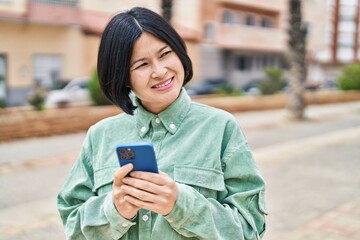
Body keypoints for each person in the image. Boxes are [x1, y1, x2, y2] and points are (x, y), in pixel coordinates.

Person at [57, 7, 267, 240]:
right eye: (142, 65)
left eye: (165, 54)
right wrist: (114, 211)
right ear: (123, 76)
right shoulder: (100, 136)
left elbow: (250, 230)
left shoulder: (221, 128)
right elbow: (72, 225)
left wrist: (181, 205)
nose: (159, 71)